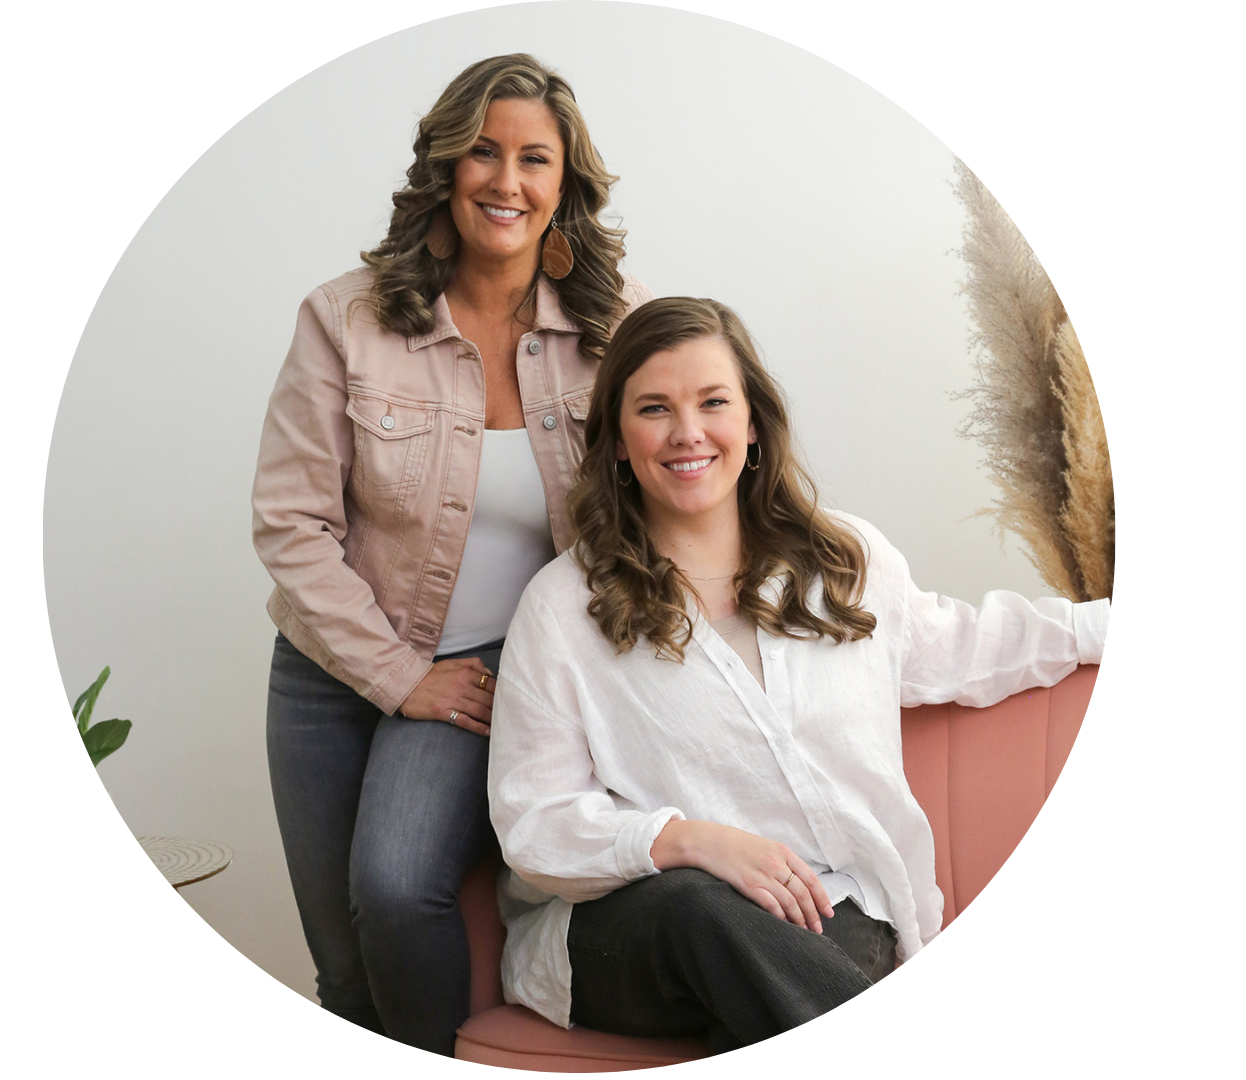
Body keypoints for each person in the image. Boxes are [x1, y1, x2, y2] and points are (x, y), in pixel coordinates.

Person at [487, 297, 1123, 1052]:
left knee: (784, 992)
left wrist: (1127, 627)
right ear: (619, 441)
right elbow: (534, 824)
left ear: (753, 423)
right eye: (654, 408)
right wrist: (690, 842)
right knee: (704, 911)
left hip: (828, 908)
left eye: (713, 402)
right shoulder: (563, 607)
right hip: (637, 926)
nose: (688, 432)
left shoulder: (844, 561)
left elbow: (963, 644)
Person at [251, 53, 652, 1055]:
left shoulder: (617, 327)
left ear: (564, 182)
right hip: (324, 672)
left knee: (393, 887)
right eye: (482, 152)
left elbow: (685, 468)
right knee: (343, 968)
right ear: (444, 168)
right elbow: (290, 523)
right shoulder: (345, 318)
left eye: (534, 158)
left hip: (484, 672)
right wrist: (395, 676)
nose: (506, 181)